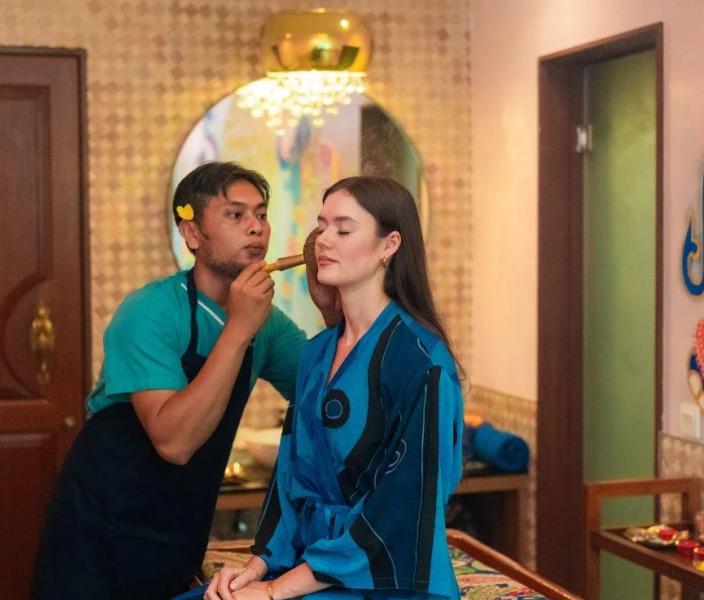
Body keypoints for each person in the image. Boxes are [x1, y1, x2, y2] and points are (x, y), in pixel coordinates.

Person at [32, 162, 338, 600]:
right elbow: (174, 443)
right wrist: (238, 329)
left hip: (178, 531)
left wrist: (330, 310)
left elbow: (331, 402)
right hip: (99, 530)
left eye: (261, 214)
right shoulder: (149, 311)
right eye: (236, 215)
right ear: (191, 233)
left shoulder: (267, 325)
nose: (256, 229)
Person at [193, 176, 465, 600]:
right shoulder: (318, 353)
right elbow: (290, 477)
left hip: (389, 579)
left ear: (389, 245)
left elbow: (401, 510)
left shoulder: (421, 362)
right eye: (321, 227)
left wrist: (273, 592)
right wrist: (256, 568)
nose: (324, 240)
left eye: (343, 228)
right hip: (314, 566)